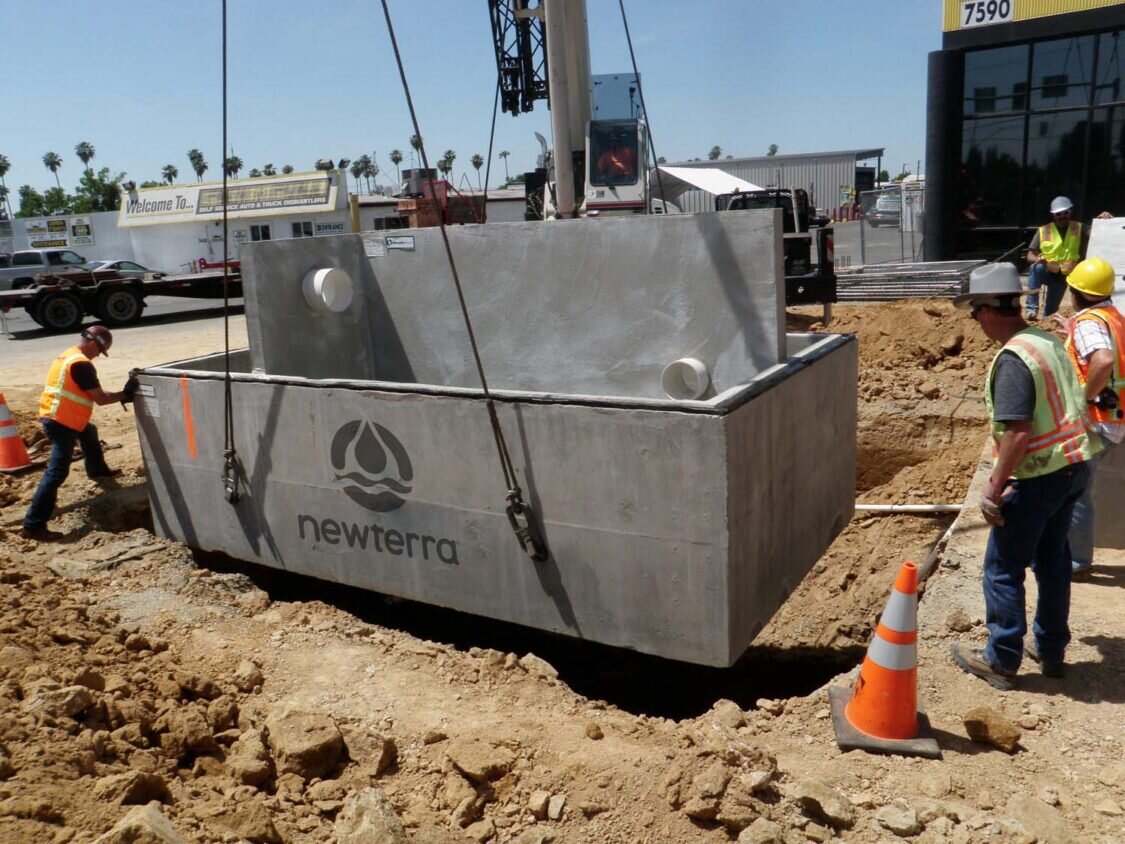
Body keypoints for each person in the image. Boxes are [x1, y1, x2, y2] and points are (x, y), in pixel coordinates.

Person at [950, 262, 1100, 688]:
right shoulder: (1045, 341)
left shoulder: (1015, 358)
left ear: (987, 310)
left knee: (1002, 567)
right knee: (1052, 562)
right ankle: (1051, 651)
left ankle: (1001, 659)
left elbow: (1017, 431)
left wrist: (994, 488)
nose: (976, 322)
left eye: (975, 313)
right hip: (1073, 466)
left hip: (1039, 478)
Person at [21, 325, 131, 541]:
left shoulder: (68, 356)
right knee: (57, 472)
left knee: (89, 431)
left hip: (56, 415)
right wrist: (125, 394)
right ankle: (33, 525)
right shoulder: (81, 364)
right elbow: (100, 398)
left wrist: (122, 395)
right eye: (99, 351)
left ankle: (97, 471)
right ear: (93, 344)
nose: (98, 356)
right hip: (62, 422)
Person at [1055, 257, 1125, 579]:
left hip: (1096, 418)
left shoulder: (1089, 324)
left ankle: (1076, 562)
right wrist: (1073, 331)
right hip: (1114, 416)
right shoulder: (1113, 316)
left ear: (1075, 292)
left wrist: (1082, 398)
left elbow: (1104, 358)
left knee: (1075, 490)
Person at [1025, 197, 1112, 320]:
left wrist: (1103, 221)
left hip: (1063, 276)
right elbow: (1030, 255)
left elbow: (1098, 232)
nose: (1062, 216)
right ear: (1053, 215)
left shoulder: (1079, 228)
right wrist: (1040, 260)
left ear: (1070, 212)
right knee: (1035, 268)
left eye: (1065, 213)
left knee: (1050, 313)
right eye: (1058, 214)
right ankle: (1031, 308)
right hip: (1047, 270)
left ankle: (1046, 321)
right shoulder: (1044, 231)